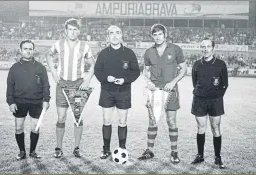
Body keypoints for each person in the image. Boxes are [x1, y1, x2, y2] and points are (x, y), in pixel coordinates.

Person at [45, 18, 95, 158]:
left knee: (77, 118)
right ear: (65, 31)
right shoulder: (58, 44)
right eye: (70, 29)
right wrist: (53, 72)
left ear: (79, 31)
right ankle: (58, 148)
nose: (73, 32)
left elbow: (93, 64)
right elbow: (48, 55)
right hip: (62, 84)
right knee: (61, 117)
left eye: (75, 29)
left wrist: (88, 80)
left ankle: (77, 148)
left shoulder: (84, 46)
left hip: (78, 85)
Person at [138, 24, 187, 164]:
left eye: (160, 34)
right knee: (152, 121)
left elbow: (184, 70)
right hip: (154, 92)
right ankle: (150, 150)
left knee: (171, 121)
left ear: (165, 35)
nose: (157, 37)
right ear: (152, 36)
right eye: (155, 34)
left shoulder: (176, 49)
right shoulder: (148, 52)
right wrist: (148, 81)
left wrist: (173, 82)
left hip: (171, 91)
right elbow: (145, 71)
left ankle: (174, 152)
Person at [94, 25, 140, 159]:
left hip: (124, 91)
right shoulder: (103, 53)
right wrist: (105, 78)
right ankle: (106, 149)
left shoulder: (129, 53)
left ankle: (122, 148)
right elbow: (98, 71)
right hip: (107, 91)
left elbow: (136, 72)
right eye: (112, 33)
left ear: (121, 35)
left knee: (123, 121)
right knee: (107, 120)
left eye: (118, 33)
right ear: (108, 37)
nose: (115, 35)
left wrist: (124, 79)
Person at [6, 40, 50, 160]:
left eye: (30, 49)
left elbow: (46, 85)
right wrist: (11, 102)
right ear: (20, 50)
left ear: (33, 50)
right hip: (19, 102)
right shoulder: (14, 68)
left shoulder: (40, 67)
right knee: (18, 128)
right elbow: (10, 86)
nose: (28, 51)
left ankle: (33, 151)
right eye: (25, 49)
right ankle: (21, 151)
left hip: (36, 102)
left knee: (35, 128)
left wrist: (46, 99)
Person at [191, 37, 228, 169]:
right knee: (201, 128)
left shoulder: (220, 64)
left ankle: (217, 157)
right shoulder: (196, 64)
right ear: (201, 48)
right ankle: (200, 155)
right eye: (203, 46)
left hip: (215, 101)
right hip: (199, 100)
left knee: (215, 128)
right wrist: (201, 93)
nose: (205, 49)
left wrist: (217, 97)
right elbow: (194, 83)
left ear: (213, 48)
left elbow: (225, 84)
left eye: (208, 46)